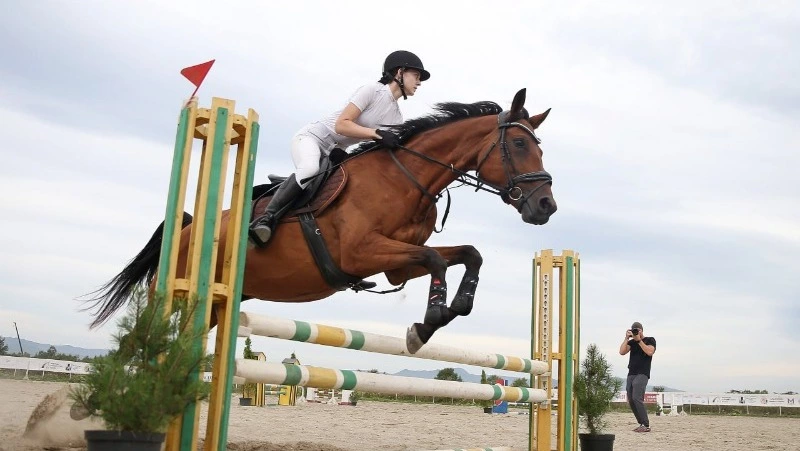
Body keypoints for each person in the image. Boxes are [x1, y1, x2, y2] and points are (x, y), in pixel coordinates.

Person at [248, 50, 431, 247]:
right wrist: (377, 133)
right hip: (312, 138)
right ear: (399, 72)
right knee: (310, 169)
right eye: (416, 76)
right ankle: (266, 218)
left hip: (335, 155)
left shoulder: (396, 118)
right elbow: (341, 125)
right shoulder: (372, 90)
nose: (419, 82)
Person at [619, 321, 657, 432]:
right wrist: (626, 338)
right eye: (634, 330)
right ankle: (641, 423)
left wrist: (639, 340)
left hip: (643, 372)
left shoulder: (650, 340)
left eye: (637, 330)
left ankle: (646, 424)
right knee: (631, 399)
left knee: (637, 396)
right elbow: (621, 352)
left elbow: (649, 352)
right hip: (631, 372)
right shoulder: (632, 343)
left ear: (642, 330)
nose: (636, 332)